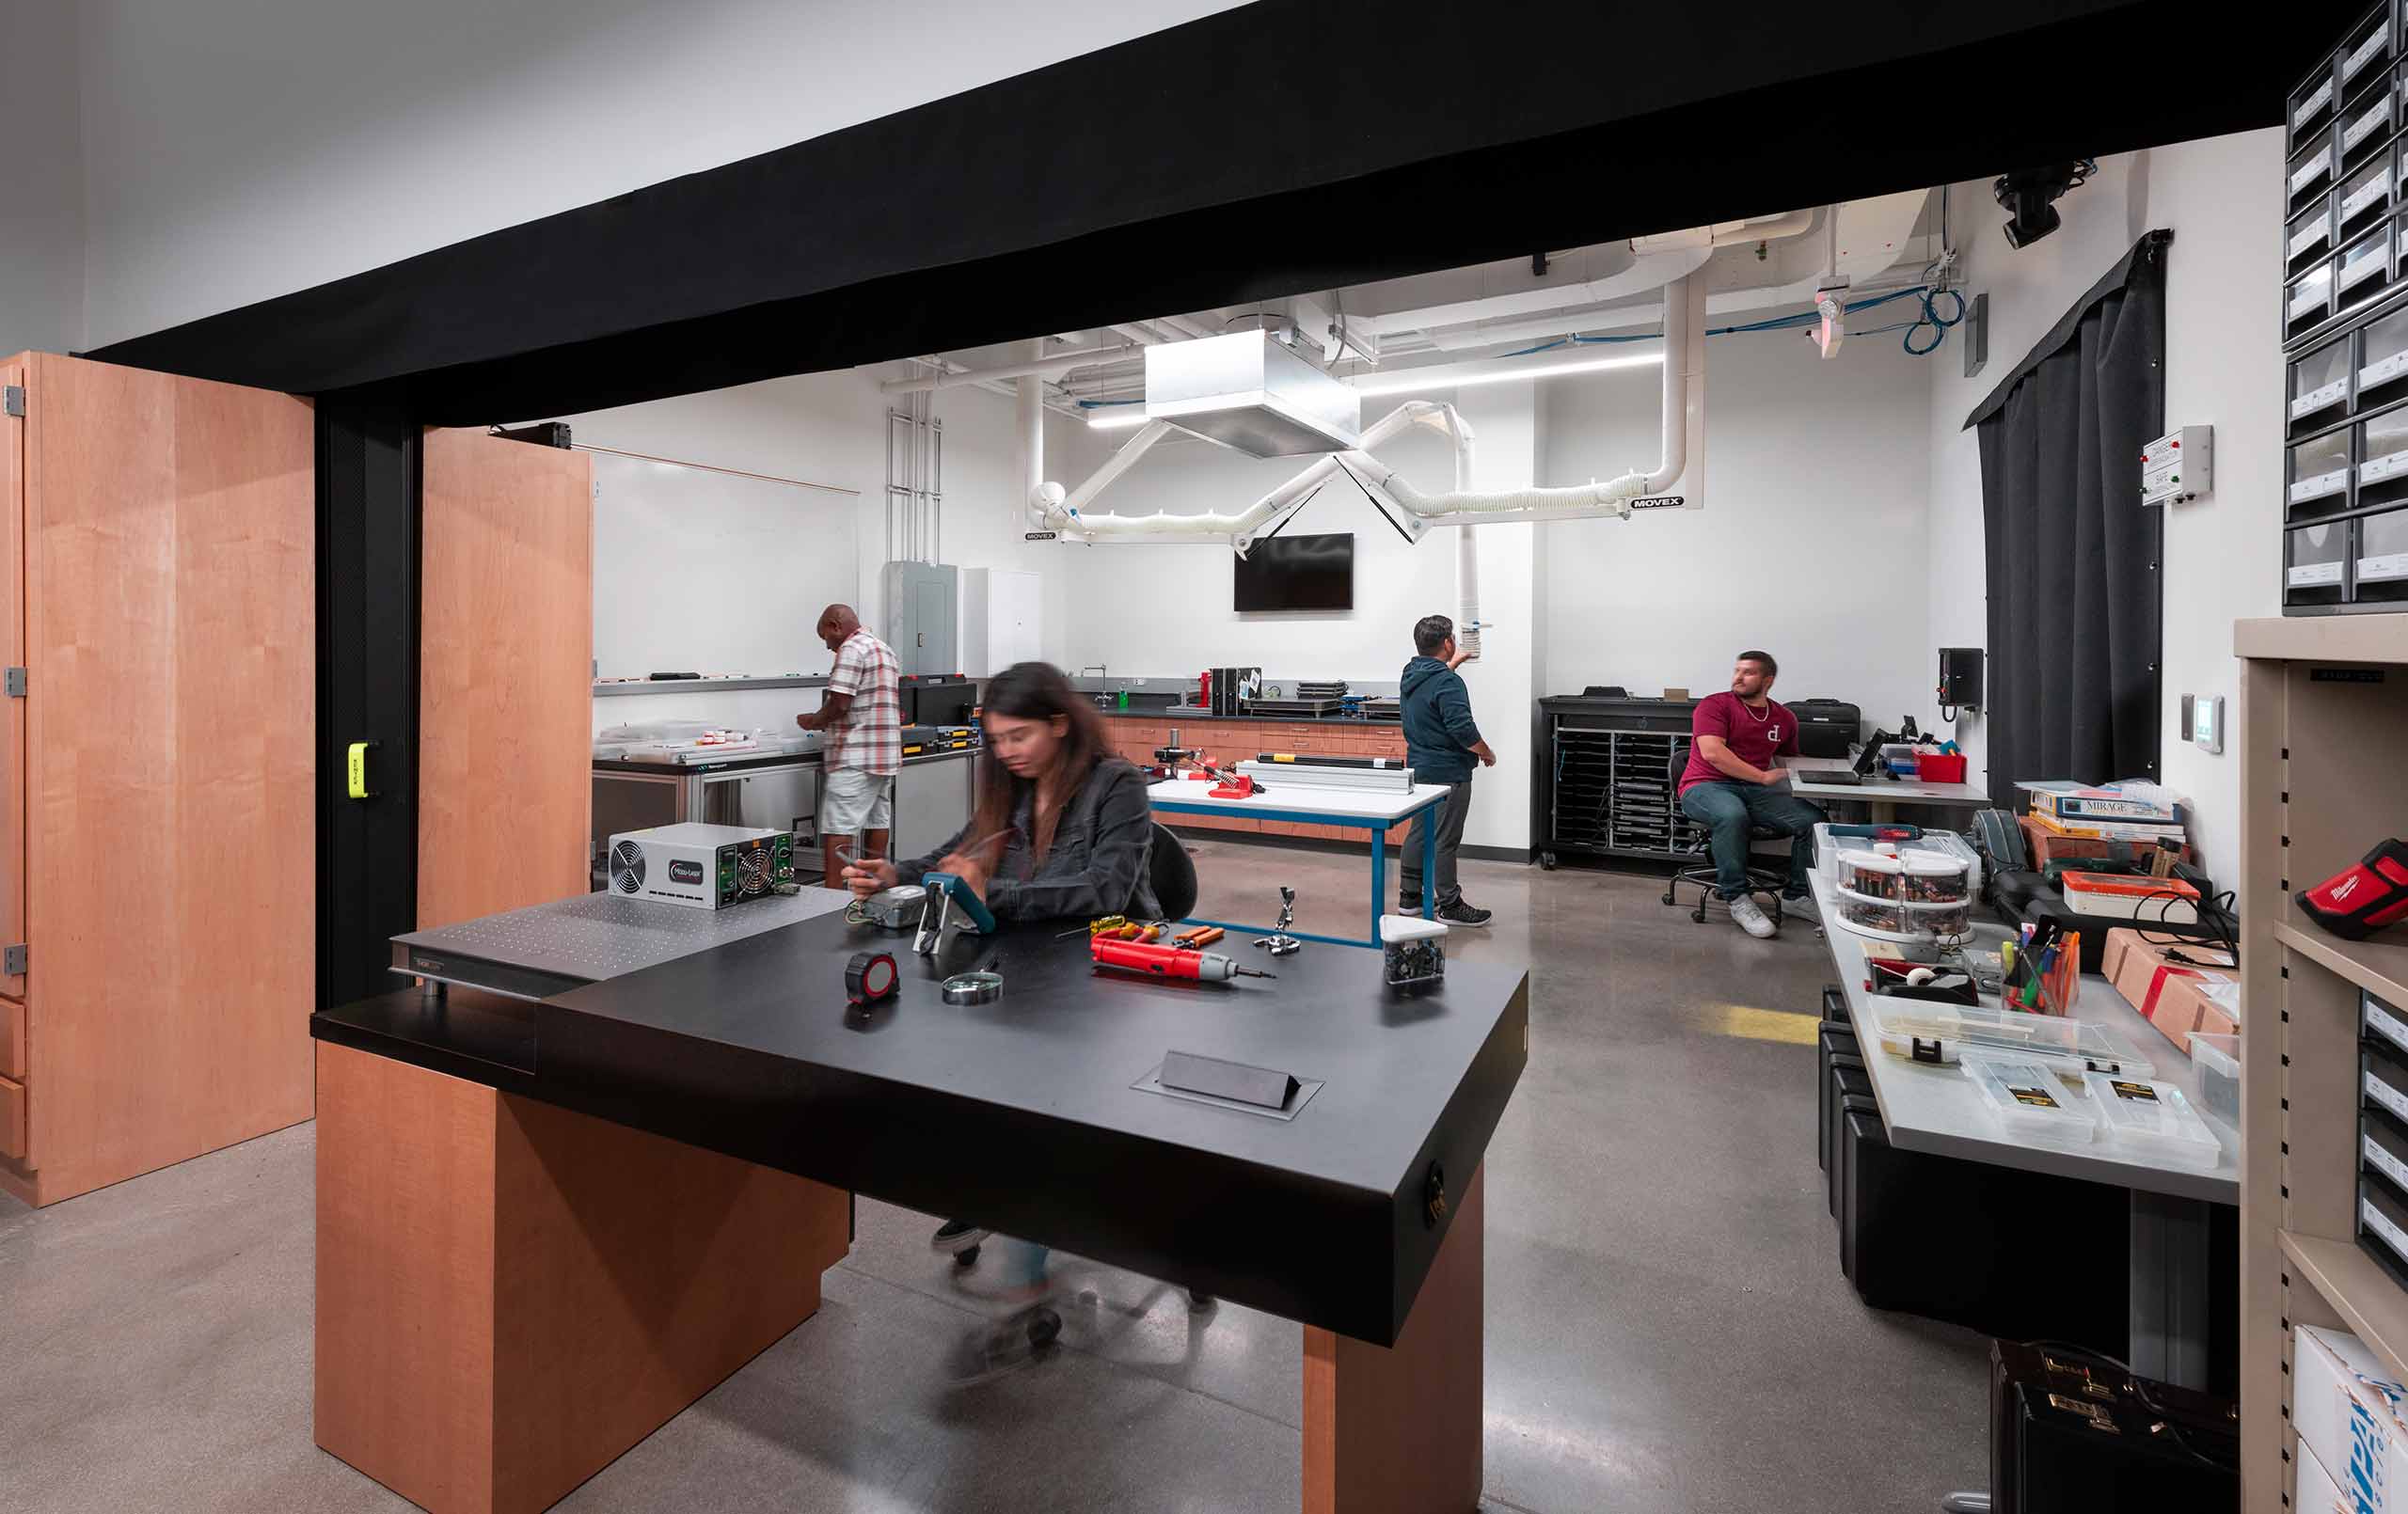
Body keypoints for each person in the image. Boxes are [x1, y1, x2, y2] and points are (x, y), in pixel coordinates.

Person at [841, 660, 1161, 1301]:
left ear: (1060, 725)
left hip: (1105, 966)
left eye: (1019, 736)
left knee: (1032, 1072)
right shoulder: (1010, 791)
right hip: (1026, 958)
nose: (1006, 751)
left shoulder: (1116, 785)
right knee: (959, 1056)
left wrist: (997, 892)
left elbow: (1106, 889)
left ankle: (1023, 1225)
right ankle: (998, 1185)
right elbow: (958, 852)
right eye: (996, 739)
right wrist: (896, 872)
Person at [1675, 650, 1827, 938]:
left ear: (1767, 680)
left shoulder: (1783, 717)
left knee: (1814, 820)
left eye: (1748, 672)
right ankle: (1737, 898)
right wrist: (1762, 776)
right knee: (1732, 815)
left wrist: (1831, 769)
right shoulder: (1714, 705)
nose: (1738, 677)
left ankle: (1796, 896)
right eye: (1737, 671)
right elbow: (1713, 753)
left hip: (1753, 791)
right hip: (1705, 785)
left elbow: (1788, 759)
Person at [1398, 614, 1495, 927]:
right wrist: (1487, 752)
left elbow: (1433, 689)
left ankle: (1410, 899)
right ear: (1448, 642)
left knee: (1419, 833)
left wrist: (1454, 663)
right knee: (1445, 840)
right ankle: (1450, 904)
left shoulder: (1411, 674)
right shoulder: (1448, 683)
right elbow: (1462, 729)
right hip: (1449, 772)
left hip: (1420, 767)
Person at [798, 604, 901, 888]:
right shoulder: (883, 648)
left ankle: (830, 900)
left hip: (855, 756)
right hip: (883, 754)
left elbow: (841, 703)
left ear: (835, 626)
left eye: (826, 638)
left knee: (838, 826)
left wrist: (813, 721)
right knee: (878, 820)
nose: (828, 647)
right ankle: (870, 888)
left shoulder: (851, 649)